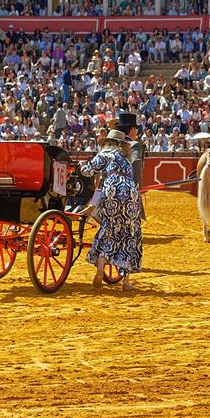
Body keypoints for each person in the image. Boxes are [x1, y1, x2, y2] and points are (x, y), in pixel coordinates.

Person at [80, 129, 142, 291]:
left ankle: (100, 269)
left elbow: (87, 171)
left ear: (108, 142)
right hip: (131, 193)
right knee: (129, 234)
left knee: (108, 228)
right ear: (122, 145)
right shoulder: (126, 160)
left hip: (112, 189)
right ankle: (126, 282)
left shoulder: (106, 153)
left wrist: (81, 166)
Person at [115, 112, 146, 220]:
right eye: (135, 129)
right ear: (132, 129)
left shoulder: (112, 144)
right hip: (125, 187)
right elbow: (136, 163)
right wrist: (138, 186)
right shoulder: (134, 145)